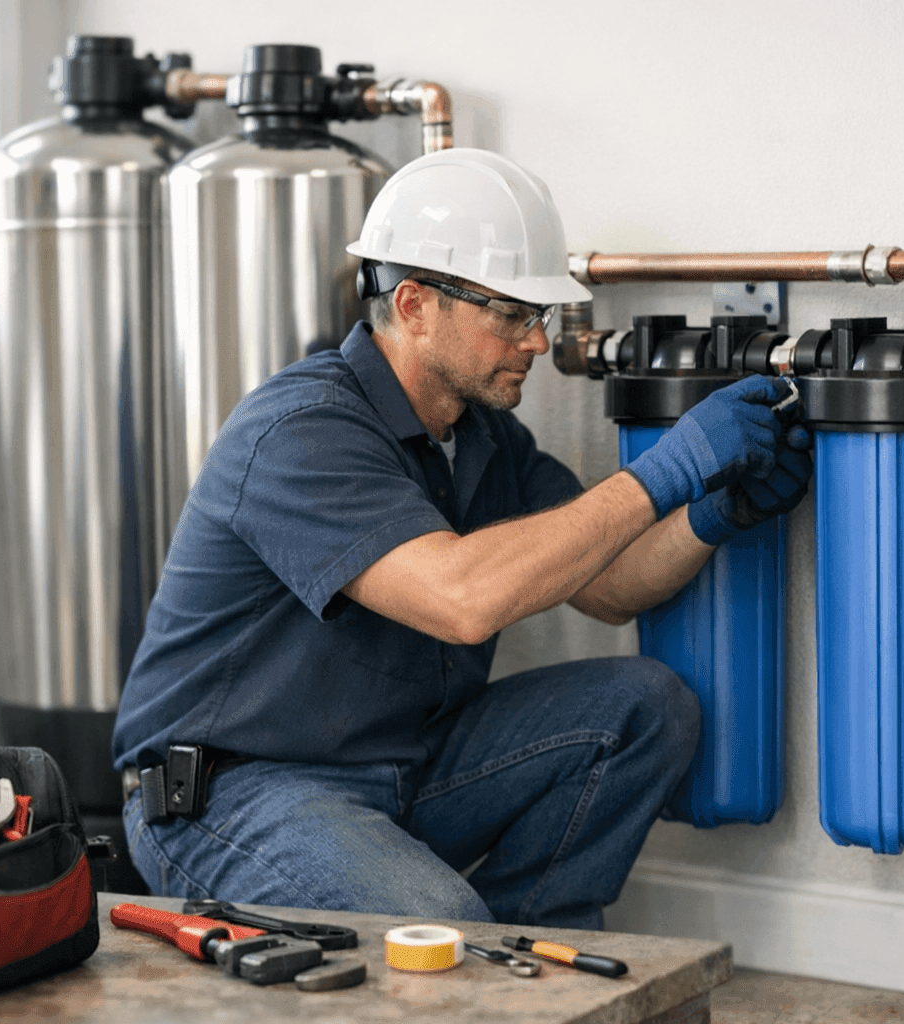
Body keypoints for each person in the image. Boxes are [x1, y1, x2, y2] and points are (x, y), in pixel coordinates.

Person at [111, 148, 813, 929]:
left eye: (538, 317)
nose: (537, 343)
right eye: (512, 315)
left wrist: (713, 516)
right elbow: (462, 600)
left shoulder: (481, 436)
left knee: (645, 707)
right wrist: (665, 471)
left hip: (406, 767)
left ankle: (530, 961)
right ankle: (475, 964)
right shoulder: (301, 431)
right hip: (234, 793)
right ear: (413, 305)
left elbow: (610, 586)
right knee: (437, 926)